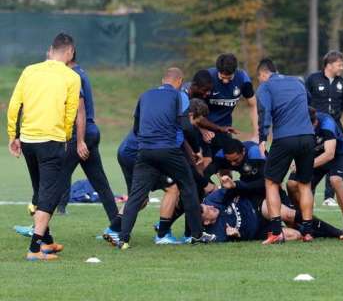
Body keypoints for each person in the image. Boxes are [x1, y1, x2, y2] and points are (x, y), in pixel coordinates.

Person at [110, 67, 215, 250]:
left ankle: (123, 238)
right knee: (189, 186)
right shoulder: (178, 96)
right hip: (168, 150)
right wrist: (197, 149)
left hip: (144, 151)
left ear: (162, 80)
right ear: (180, 81)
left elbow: (136, 127)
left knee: (136, 195)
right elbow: (186, 126)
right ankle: (197, 235)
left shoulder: (145, 95)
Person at [7, 33, 80, 260]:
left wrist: (13, 135)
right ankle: (34, 249)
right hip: (51, 140)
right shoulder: (71, 77)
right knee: (51, 193)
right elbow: (70, 112)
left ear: (51, 49)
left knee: (41, 190)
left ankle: (47, 242)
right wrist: (67, 136)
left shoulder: (30, 70)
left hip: (28, 140)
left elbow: (14, 105)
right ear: (69, 52)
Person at [256, 58, 316, 244]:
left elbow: (264, 111)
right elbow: (309, 100)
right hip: (308, 136)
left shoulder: (265, 86)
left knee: (271, 182)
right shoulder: (297, 81)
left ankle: (275, 231)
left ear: (263, 74)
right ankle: (307, 231)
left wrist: (263, 138)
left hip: (285, 137)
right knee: (304, 184)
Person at [55, 51, 119, 219]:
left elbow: (79, 111)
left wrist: (79, 141)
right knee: (100, 183)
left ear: (67, 54)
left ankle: (39, 228)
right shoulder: (81, 72)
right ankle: (117, 225)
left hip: (81, 134)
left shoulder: (72, 75)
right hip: (90, 133)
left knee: (57, 176)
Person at [287, 108, 343, 235]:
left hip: (337, 155)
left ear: (314, 123)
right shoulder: (297, 124)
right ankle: (304, 220)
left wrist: (304, 165)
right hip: (313, 156)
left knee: (335, 180)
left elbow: (329, 154)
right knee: (292, 184)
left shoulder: (327, 124)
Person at [202, 189, 343, 243]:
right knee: (295, 234)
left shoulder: (212, 200)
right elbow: (218, 239)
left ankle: (337, 232)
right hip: (258, 233)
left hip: (257, 207)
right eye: (206, 210)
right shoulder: (216, 234)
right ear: (207, 221)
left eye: (205, 205)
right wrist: (235, 235)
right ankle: (312, 232)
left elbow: (230, 189)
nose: (210, 207)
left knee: (287, 214)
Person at [305, 51, 343, 206]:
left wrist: (334, 118)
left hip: (335, 126)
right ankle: (308, 192)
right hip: (315, 126)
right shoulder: (312, 79)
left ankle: (329, 197)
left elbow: (342, 104)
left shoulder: (341, 82)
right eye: (339, 64)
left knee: (334, 157)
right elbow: (305, 100)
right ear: (329, 65)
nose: (342, 67)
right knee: (313, 155)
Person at [199, 53, 258, 150]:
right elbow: (193, 109)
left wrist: (256, 135)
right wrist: (202, 129)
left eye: (229, 78)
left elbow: (253, 105)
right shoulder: (207, 78)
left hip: (224, 129)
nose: (225, 81)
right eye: (222, 78)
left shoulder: (243, 79)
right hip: (204, 129)